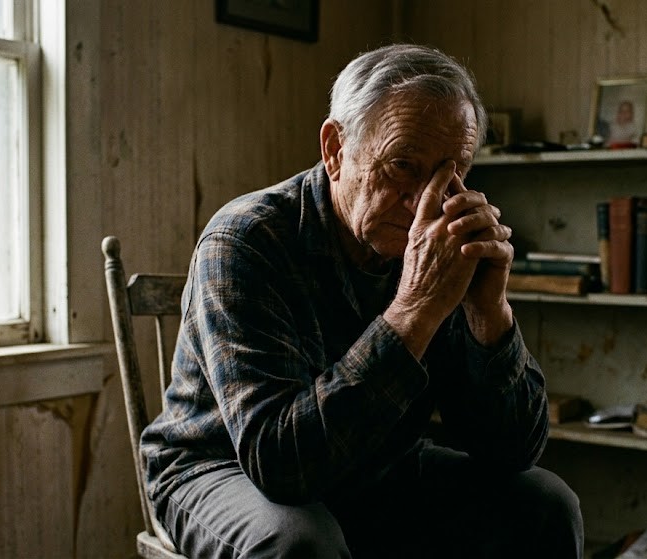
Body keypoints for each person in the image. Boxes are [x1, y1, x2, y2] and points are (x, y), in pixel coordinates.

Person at [141, 43, 584, 558]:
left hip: (375, 464)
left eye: (449, 173)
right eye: (402, 166)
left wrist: (490, 316)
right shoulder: (246, 240)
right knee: (300, 543)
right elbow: (281, 465)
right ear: (335, 149)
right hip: (220, 466)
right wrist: (414, 310)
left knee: (545, 504)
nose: (424, 202)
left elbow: (512, 452)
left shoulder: (439, 241)